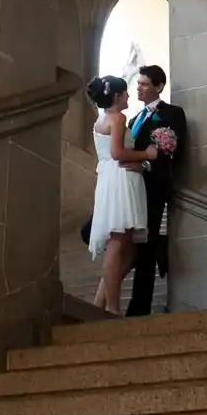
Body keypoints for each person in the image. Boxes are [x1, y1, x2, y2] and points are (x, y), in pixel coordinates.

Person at [84, 74, 155, 314]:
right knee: (118, 242)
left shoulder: (102, 119)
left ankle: (100, 302)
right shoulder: (118, 118)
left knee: (128, 246)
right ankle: (112, 308)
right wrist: (147, 154)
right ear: (116, 96)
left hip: (109, 177)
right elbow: (117, 152)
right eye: (124, 92)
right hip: (120, 178)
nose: (128, 96)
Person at [125, 64, 188, 318]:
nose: (138, 88)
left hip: (154, 185)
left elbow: (175, 150)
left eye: (144, 84)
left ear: (159, 86)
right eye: (137, 83)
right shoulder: (133, 119)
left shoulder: (172, 113)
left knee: (145, 243)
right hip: (131, 187)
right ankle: (160, 246)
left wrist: (148, 163)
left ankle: (139, 307)